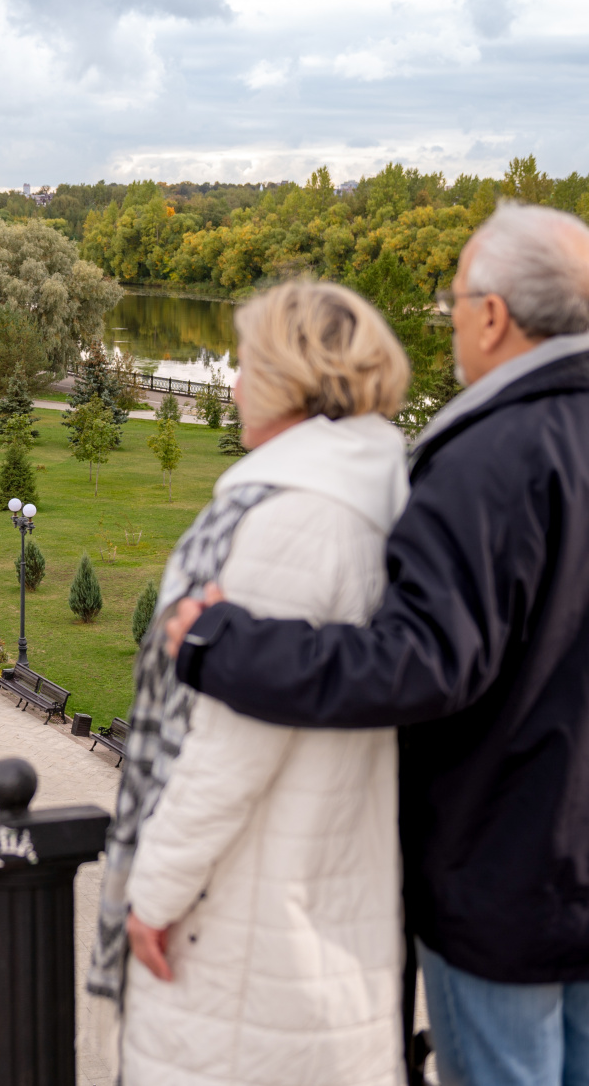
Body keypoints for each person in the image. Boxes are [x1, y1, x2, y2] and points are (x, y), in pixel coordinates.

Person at [164, 203, 589, 1086]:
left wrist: (222, 643)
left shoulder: (498, 452)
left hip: (504, 873)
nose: (453, 317)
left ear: (495, 315)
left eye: (457, 298)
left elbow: (419, 663)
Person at [90, 282, 412, 1086]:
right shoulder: (359, 494)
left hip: (245, 921)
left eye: (243, 366)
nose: (232, 384)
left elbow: (233, 742)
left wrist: (154, 892)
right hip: (311, 888)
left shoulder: (299, 514)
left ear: (285, 380)